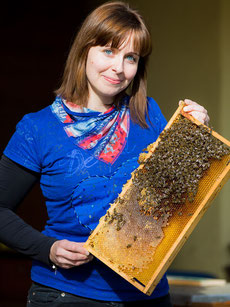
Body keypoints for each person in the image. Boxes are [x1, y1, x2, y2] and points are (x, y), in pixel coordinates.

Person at [0, 1, 210, 306]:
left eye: (131, 57)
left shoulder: (149, 115)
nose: (119, 67)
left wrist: (195, 140)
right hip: (66, 294)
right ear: (84, 50)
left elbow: (176, 201)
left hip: (148, 295)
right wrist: (47, 248)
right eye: (108, 51)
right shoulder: (37, 128)